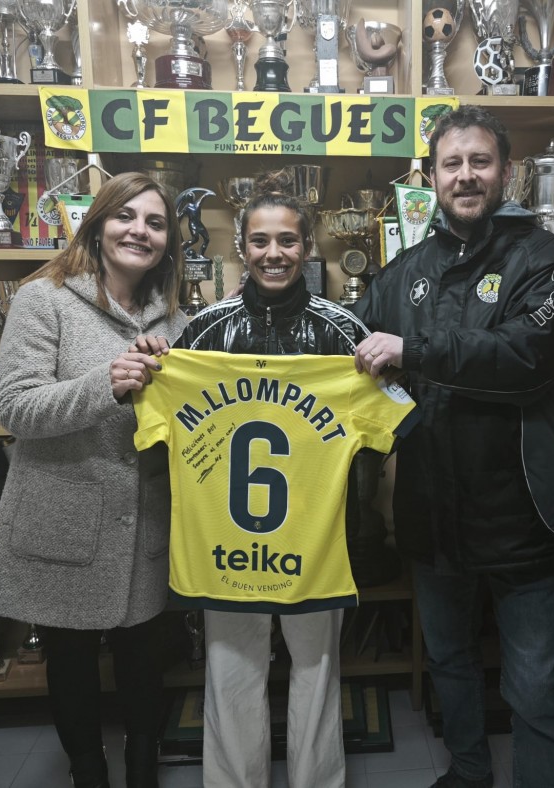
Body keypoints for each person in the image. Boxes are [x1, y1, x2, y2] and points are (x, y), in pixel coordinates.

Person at [351, 105, 554, 788]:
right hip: (432, 512)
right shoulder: (404, 271)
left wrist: (414, 351)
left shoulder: (549, 260)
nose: (465, 175)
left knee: (533, 684)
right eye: (451, 163)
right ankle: (469, 774)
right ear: (431, 176)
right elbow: (346, 346)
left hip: (523, 517)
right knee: (449, 662)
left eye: (479, 161)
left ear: (505, 172)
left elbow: (525, 356)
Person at [141, 183, 380, 788]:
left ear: (307, 248)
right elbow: (162, 420)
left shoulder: (345, 329)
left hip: (317, 541)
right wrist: (149, 371)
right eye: (260, 240)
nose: (274, 253)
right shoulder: (202, 331)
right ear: (242, 249)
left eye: (288, 240)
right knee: (230, 672)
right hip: (225, 542)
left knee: (317, 671)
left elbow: (387, 432)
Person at [0, 172, 189, 788]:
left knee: (144, 662)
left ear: (168, 242)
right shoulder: (42, 299)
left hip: (145, 522)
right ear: (96, 225)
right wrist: (106, 384)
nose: (140, 231)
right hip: (64, 522)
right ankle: (88, 775)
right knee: (70, 664)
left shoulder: (177, 319)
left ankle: (143, 772)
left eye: (155, 223)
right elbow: (14, 407)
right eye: (126, 217)